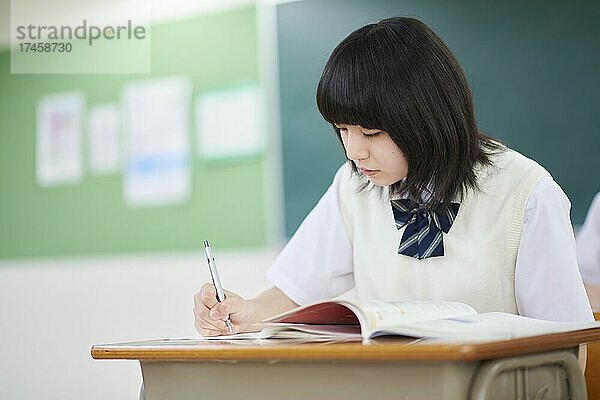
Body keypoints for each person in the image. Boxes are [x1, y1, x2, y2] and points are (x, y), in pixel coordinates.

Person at [193, 17, 593, 337]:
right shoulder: (354, 187)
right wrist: (240, 312)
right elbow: (293, 291)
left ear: (425, 117)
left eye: (371, 133)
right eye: (342, 130)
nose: (354, 151)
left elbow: (568, 345)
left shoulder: (526, 193)